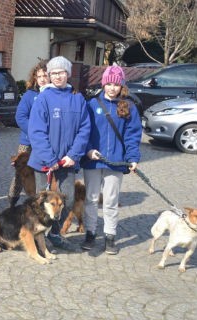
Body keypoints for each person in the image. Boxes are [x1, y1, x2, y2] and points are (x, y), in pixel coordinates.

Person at [27, 56, 91, 251]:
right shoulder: (43, 98)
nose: (57, 76)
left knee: (68, 199)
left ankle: (55, 233)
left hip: (67, 162)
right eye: (53, 73)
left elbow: (84, 129)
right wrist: (50, 158)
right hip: (45, 162)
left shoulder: (77, 98)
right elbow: (36, 131)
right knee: (42, 202)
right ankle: (39, 238)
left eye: (61, 72)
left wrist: (73, 155)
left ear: (68, 74)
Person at [80, 65, 141, 254]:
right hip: (93, 160)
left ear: (122, 85)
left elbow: (132, 135)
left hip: (115, 161)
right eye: (109, 83)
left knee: (111, 200)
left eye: (116, 84)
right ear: (104, 83)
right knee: (90, 198)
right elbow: (84, 131)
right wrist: (88, 150)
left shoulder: (128, 106)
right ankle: (90, 232)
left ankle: (110, 236)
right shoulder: (91, 104)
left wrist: (132, 158)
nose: (112, 88)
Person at [8, 59, 49, 207]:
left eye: (46, 75)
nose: (43, 79)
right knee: (20, 174)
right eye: (40, 76)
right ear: (35, 78)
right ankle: (12, 201)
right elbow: (20, 117)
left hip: (48, 142)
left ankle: (40, 200)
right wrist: (34, 132)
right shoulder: (30, 95)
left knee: (43, 173)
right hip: (28, 141)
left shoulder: (54, 95)